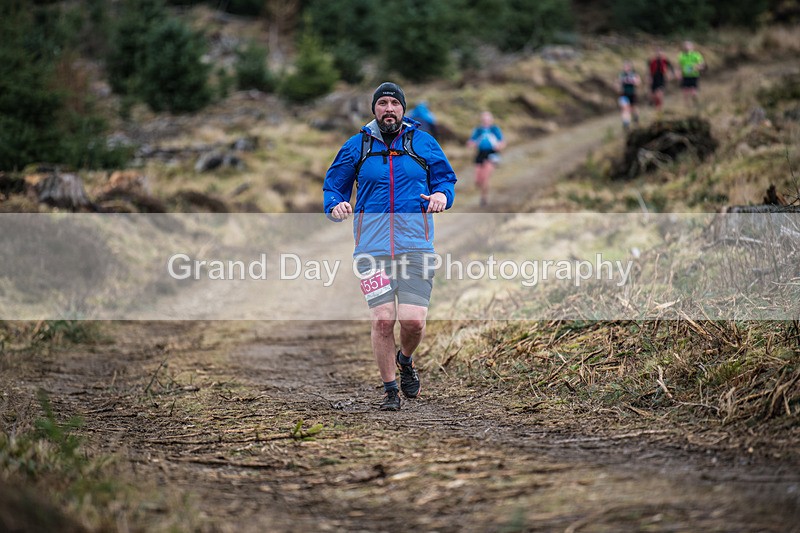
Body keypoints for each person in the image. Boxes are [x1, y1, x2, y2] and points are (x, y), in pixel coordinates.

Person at [323, 82, 457, 411]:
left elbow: (445, 179)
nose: (388, 109)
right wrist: (335, 205)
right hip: (371, 249)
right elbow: (333, 187)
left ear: (402, 109)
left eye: (394, 103)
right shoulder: (357, 146)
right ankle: (390, 390)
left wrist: (442, 195)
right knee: (383, 319)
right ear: (374, 110)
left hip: (416, 247)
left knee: (414, 322)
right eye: (382, 103)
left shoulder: (423, 143)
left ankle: (405, 359)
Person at [467, 111, 505, 207]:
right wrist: (471, 144)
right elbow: (471, 141)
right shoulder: (478, 130)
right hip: (480, 154)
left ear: (491, 120)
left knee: (485, 176)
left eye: (488, 119)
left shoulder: (495, 130)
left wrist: (499, 146)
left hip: (491, 154)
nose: (486, 121)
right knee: (478, 180)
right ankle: (483, 189)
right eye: (484, 119)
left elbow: (502, 142)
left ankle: (484, 197)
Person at [678, 40, 706, 109]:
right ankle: (687, 108)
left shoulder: (696, 55)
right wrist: (679, 74)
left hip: (694, 76)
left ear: (692, 47)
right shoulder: (681, 55)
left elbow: (702, 65)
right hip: (685, 76)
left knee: (694, 93)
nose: (687, 47)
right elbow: (679, 66)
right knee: (685, 93)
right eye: (685, 46)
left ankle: (696, 104)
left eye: (688, 46)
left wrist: (696, 67)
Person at [648, 47, 675, 114]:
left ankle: (660, 109)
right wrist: (649, 78)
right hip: (654, 78)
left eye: (660, 52)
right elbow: (649, 70)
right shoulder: (652, 61)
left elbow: (671, 68)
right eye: (657, 52)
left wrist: (671, 74)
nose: (658, 53)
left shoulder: (665, 60)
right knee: (654, 96)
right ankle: (656, 108)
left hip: (661, 78)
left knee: (659, 95)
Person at [618, 60, 641, 130]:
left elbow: (638, 83)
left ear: (630, 67)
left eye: (627, 66)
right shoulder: (621, 75)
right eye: (624, 66)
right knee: (625, 109)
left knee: (634, 109)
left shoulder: (634, 74)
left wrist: (633, 81)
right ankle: (626, 124)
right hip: (624, 94)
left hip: (632, 94)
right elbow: (617, 85)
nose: (626, 67)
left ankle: (636, 120)